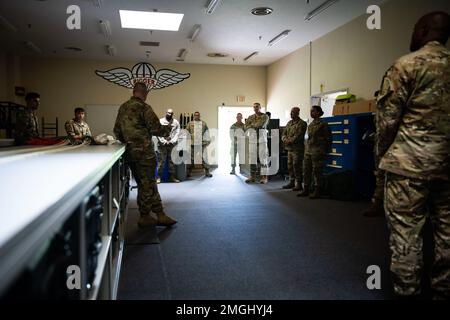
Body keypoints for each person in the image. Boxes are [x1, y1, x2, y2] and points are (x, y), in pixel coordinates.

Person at [376, 12, 450, 299]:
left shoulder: (407, 65)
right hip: (446, 168)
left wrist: (381, 161)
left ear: (421, 30)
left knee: (407, 235)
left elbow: (387, 123)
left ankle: (407, 292)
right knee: (446, 235)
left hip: (408, 167)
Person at [113, 82, 177, 228]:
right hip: (144, 153)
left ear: (134, 91)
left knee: (145, 183)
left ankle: (159, 214)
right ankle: (146, 216)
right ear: (145, 93)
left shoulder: (123, 107)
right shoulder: (144, 107)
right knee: (148, 183)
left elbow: (116, 130)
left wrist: (129, 142)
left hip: (129, 153)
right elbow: (155, 128)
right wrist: (168, 129)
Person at [297, 105, 331, 199]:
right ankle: (306, 189)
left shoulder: (323, 124)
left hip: (318, 151)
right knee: (306, 170)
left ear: (319, 112)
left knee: (317, 171)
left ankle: (318, 190)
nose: (311, 113)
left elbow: (328, 139)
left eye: (313, 111)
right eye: (311, 111)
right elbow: (308, 138)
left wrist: (325, 151)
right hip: (308, 151)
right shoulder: (311, 124)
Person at [362, 91, 385, 217]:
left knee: (383, 179)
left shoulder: (389, 111)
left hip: (389, 151)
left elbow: (386, 132)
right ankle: (378, 204)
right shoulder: (379, 113)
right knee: (380, 178)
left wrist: (375, 137)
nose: (377, 101)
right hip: (380, 150)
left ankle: (378, 205)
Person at [281, 107, 307, 192]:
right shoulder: (289, 123)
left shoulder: (302, 123)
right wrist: (285, 139)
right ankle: (291, 182)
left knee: (297, 166)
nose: (291, 114)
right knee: (290, 166)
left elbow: (299, 136)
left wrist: (289, 141)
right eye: (291, 113)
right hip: (289, 149)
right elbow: (284, 133)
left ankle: (299, 184)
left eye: (293, 113)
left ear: (297, 113)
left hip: (297, 149)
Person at [244, 102, 269, 184]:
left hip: (262, 141)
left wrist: (251, 125)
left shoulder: (265, 116)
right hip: (253, 140)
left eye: (257, 107)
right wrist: (251, 126)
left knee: (263, 159)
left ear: (260, 107)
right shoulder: (250, 117)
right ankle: (252, 177)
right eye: (254, 107)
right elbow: (245, 127)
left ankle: (264, 177)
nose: (255, 108)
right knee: (252, 160)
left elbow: (261, 125)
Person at [157, 108, 181, 183]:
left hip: (172, 145)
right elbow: (158, 132)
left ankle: (172, 177)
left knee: (172, 161)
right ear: (166, 113)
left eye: (171, 113)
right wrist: (164, 141)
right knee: (161, 162)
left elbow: (177, 133)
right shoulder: (160, 121)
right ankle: (158, 177)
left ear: (172, 114)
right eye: (168, 113)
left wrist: (171, 141)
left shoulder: (176, 122)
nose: (169, 114)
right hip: (162, 145)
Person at [186, 111, 212, 178]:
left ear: (200, 116)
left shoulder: (203, 124)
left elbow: (207, 133)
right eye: (195, 115)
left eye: (198, 115)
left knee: (204, 158)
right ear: (194, 116)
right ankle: (188, 172)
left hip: (201, 144)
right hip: (192, 144)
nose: (197, 116)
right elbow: (186, 133)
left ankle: (207, 172)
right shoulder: (190, 123)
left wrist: (207, 142)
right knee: (191, 159)